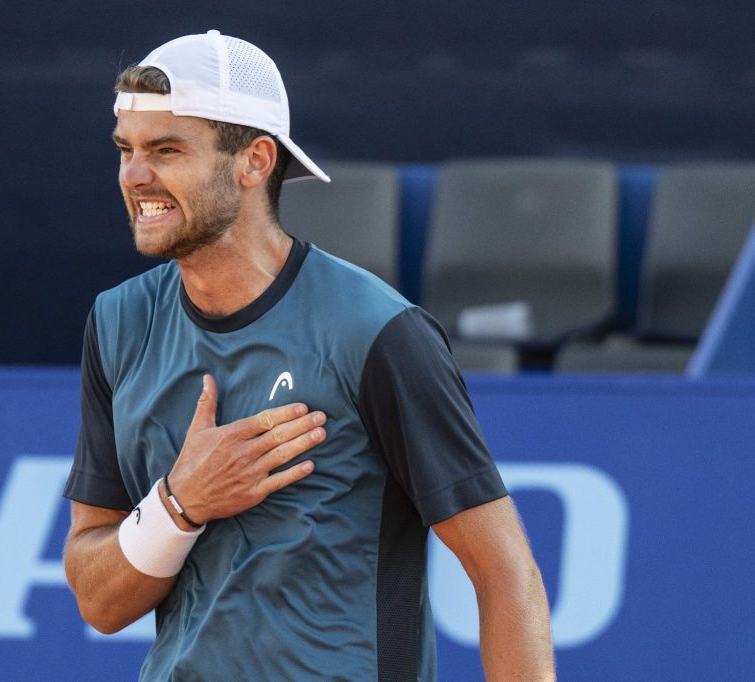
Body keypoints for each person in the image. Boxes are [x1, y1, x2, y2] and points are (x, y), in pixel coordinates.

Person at [62, 30, 554, 681]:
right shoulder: (118, 323)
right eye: (126, 150)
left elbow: (504, 572)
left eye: (166, 150)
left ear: (255, 160)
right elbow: (98, 602)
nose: (134, 175)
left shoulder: (378, 331)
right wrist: (180, 505)